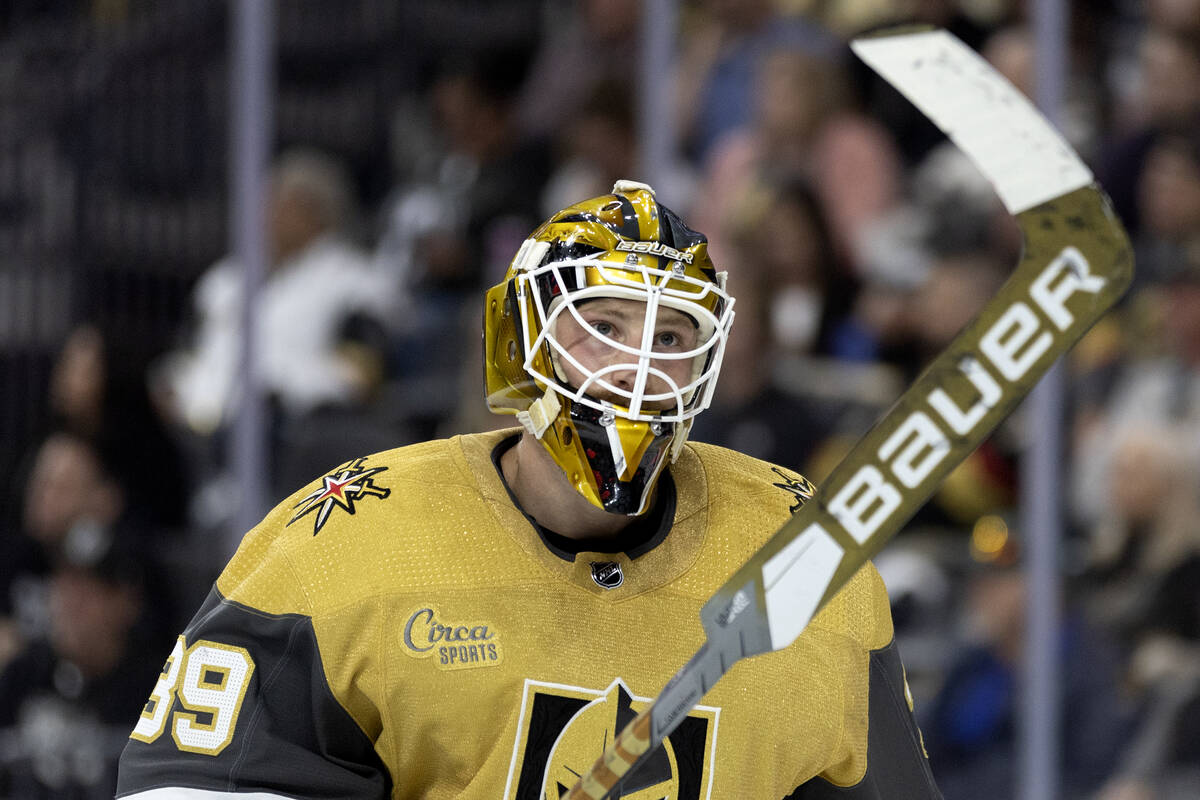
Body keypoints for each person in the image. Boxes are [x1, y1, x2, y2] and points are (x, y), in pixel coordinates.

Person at [115, 181, 940, 798]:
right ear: (524, 335)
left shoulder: (803, 555)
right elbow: (186, 785)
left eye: (673, 335)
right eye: (605, 326)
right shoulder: (346, 535)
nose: (639, 365)